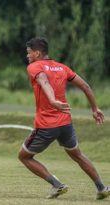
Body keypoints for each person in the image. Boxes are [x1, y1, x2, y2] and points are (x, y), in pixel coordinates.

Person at [18, 37, 110, 200]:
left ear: (37, 53)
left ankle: (57, 185)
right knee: (77, 155)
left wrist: (52, 100)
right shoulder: (62, 68)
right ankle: (101, 187)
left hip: (46, 125)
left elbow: (43, 80)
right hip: (66, 123)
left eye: (29, 53)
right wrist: (95, 108)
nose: (28, 56)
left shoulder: (34, 67)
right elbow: (85, 86)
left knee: (24, 156)